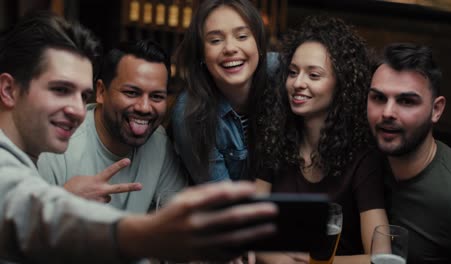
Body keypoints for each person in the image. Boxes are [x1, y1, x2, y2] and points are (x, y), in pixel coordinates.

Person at [0, 11, 277, 263]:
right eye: (60, 90)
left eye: (80, 96)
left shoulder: (159, 145)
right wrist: (142, 233)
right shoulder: (22, 162)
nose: (75, 109)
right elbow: (22, 207)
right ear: (9, 90)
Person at [254, 16, 388, 263]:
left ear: (341, 85)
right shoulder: (276, 139)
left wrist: (315, 261)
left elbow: (381, 257)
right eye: (293, 73)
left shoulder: (363, 157)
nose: (298, 83)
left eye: (313, 75)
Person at [37, 40, 187, 212]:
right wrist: (62, 203)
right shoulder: (57, 144)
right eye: (131, 93)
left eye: (157, 96)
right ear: (101, 92)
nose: (145, 107)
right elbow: (18, 229)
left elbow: (181, 217)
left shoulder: (159, 143)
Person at [367, 43, 451, 264]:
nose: (387, 113)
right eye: (378, 98)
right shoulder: (365, 162)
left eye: (406, 101)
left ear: (436, 110)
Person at [171, 0, 269, 183]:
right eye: (215, 40)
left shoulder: (286, 75)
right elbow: (222, 201)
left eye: (242, 36)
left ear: (259, 44)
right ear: (201, 54)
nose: (230, 48)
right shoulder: (190, 114)